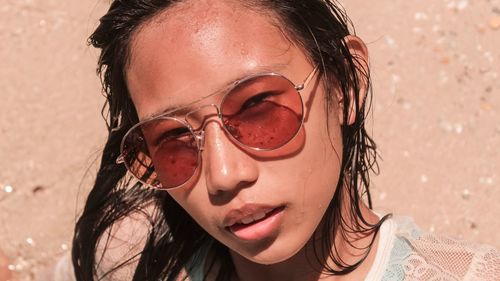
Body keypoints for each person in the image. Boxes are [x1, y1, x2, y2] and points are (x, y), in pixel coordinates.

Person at [71, 0, 500, 280]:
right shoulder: (127, 255)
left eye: (257, 106)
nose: (223, 176)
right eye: (173, 138)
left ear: (347, 82)